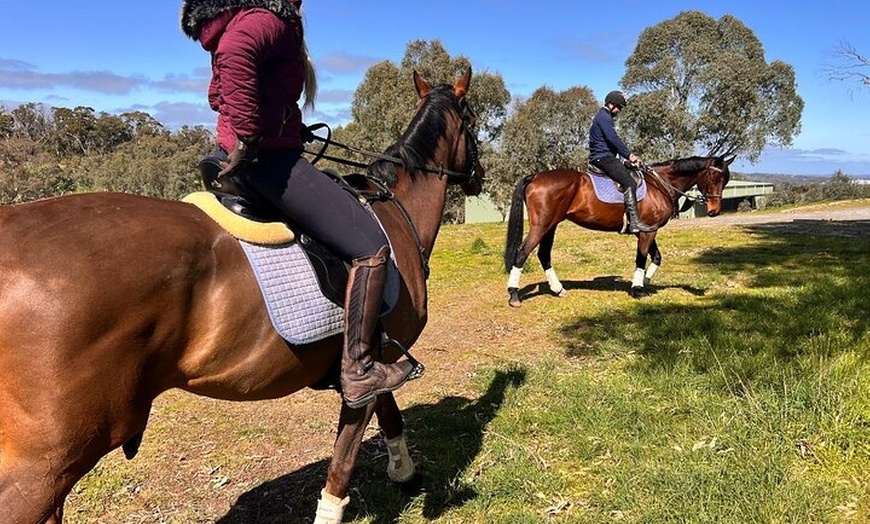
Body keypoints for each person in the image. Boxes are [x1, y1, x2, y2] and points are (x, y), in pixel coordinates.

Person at [180, 0, 417, 408]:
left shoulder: (235, 20)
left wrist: (286, 123)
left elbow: (219, 93)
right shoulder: (266, 19)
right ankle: (359, 368)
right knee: (370, 246)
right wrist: (253, 134)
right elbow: (238, 57)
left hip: (253, 152)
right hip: (268, 161)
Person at [588, 90, 656, 233]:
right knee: (629, 182)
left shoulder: (604, 117)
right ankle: (635, 223)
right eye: (618, 107)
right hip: (604, 158)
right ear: (610, 104)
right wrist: (629, 155)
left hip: (607, 156)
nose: (619, 110)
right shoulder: (604, 118)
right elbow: (613, 139)